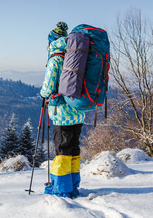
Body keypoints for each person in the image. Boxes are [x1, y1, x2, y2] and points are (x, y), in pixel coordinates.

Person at [40, 22, 86, 198]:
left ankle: (61, 188)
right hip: (78, 111)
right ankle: (72, 185)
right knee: (74, 150)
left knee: (62, 152)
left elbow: (48, 87)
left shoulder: (56, 58)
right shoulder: (75, 56)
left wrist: (43, 94)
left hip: (62, 115)